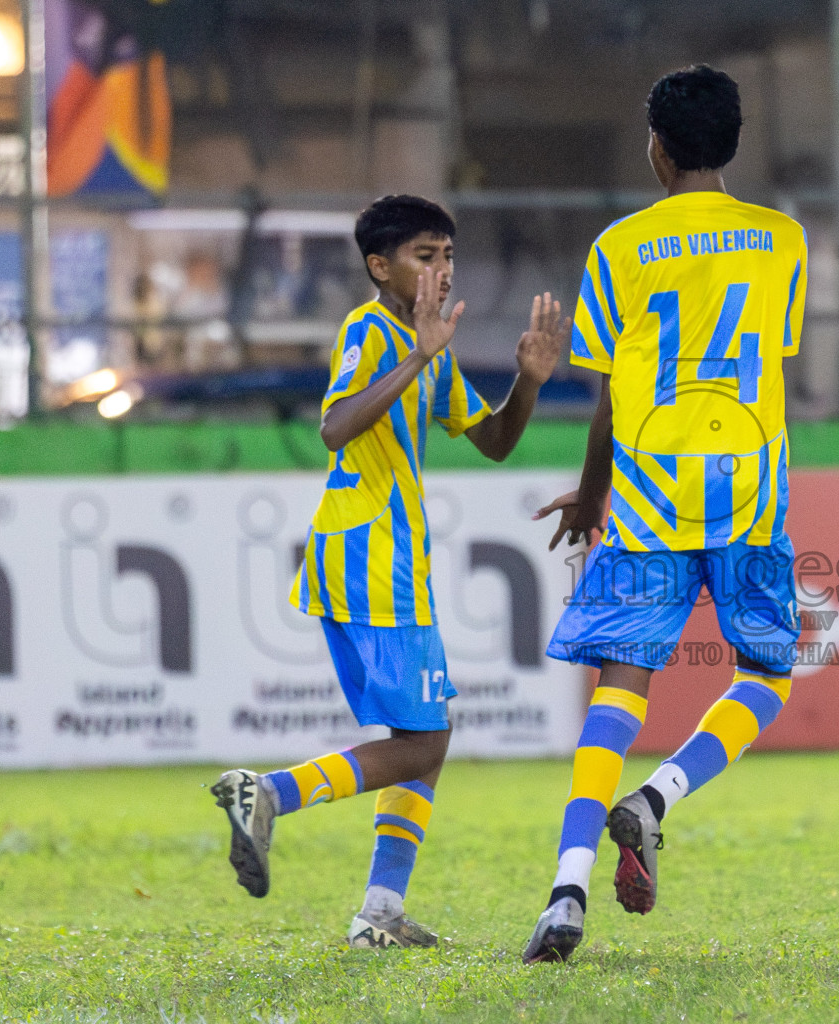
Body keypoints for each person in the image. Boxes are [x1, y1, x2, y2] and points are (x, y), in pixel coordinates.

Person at [211, 194, 568, 949]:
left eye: (447, 256)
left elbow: (496, 440)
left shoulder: (422, 345)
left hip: (381, 558)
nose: (441, 270)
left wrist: (529, 379)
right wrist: (417, 355)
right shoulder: (373, 332)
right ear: (381, 267)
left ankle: (380, 913)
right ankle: (267, 794)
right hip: (374, 558)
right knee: (425, 741)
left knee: (423, 734)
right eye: (423, 256)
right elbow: (335, 426)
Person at [522, 65, 808, 964]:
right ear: (731, 143)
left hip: (650, 500)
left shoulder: (618, 247)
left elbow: (609, 396)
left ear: (658, 145)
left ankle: (566, 894)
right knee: (765, 675)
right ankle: (657, 799)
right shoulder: (783, 242)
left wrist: (595, 490)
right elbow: (772, 354)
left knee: (617, 692)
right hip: (749, 496)